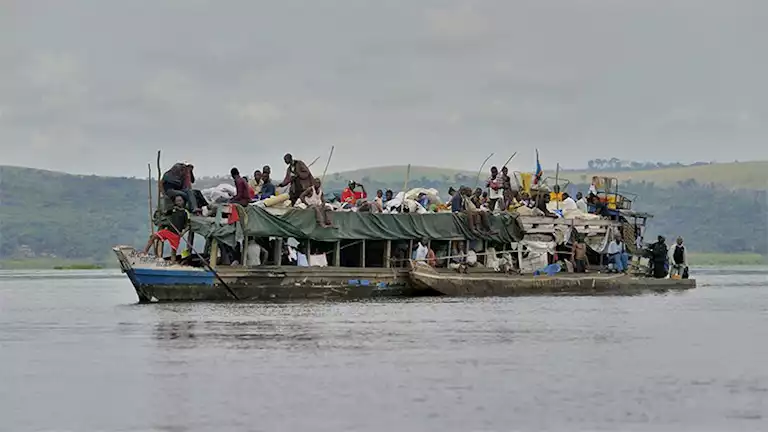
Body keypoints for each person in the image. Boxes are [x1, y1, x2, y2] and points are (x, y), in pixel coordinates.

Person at [143, 195, 189, 263]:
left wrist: (183, 232)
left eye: (180, 201)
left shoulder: (185, 213)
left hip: (176, 235)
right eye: (177, 201)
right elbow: (164, 212)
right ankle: (144, 253)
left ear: (183, 202)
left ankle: (172, 263)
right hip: (168, 231)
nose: (178, 202)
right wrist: (160, 210)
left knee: (173, 251)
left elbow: (188, 226)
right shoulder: (173, 209)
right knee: (153, 237)